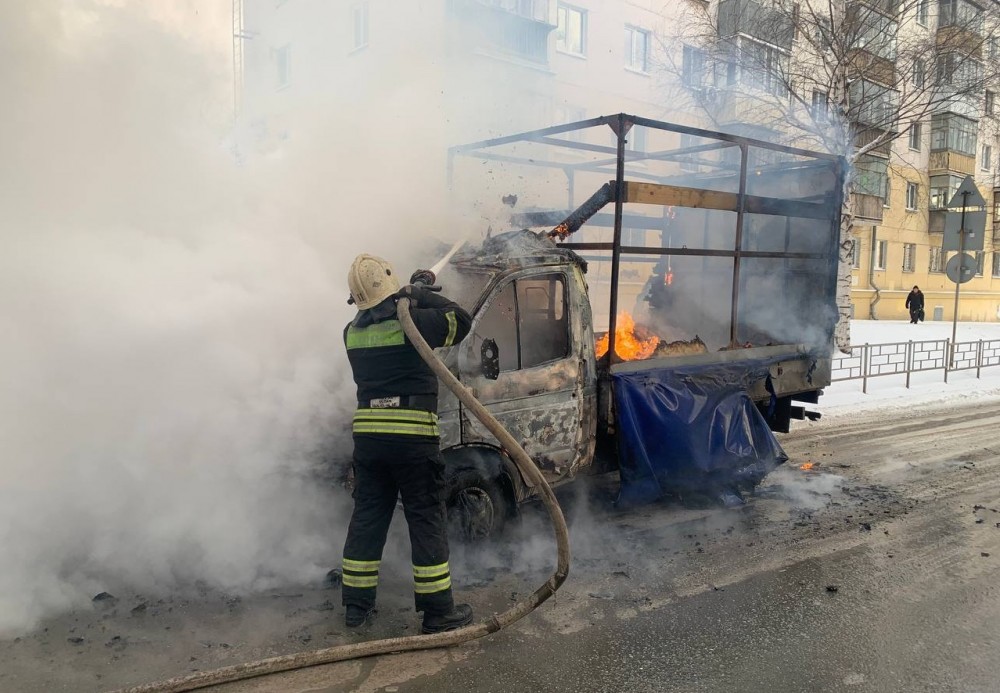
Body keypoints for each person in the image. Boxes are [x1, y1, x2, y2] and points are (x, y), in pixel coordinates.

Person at [340, 253, 474, 634]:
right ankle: (437, 611)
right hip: (412, 439)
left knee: (368, 516)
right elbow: (460, 321)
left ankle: (356, 606)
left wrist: (408, 298)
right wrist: (419, 293)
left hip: (368, 440)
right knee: (425, 516)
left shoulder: (351, 332)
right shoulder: (412, 321)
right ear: (390, 284)